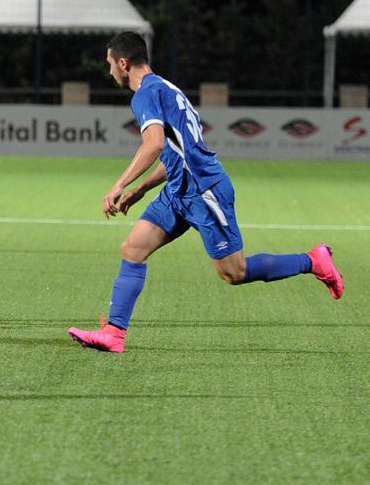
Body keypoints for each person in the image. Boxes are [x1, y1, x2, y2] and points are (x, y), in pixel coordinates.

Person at [67, 31, 344, 353]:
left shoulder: (145, 94)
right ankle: (114, 333)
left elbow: (154, 144)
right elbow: (179, 152)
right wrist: (141, 189)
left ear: (124, 63)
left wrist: (119, 184)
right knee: (133, 248)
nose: (110, 70)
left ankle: (312, 260)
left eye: (110, 63)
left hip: (203, 190)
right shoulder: (167, 89)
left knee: (234, 272)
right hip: (178, 189)